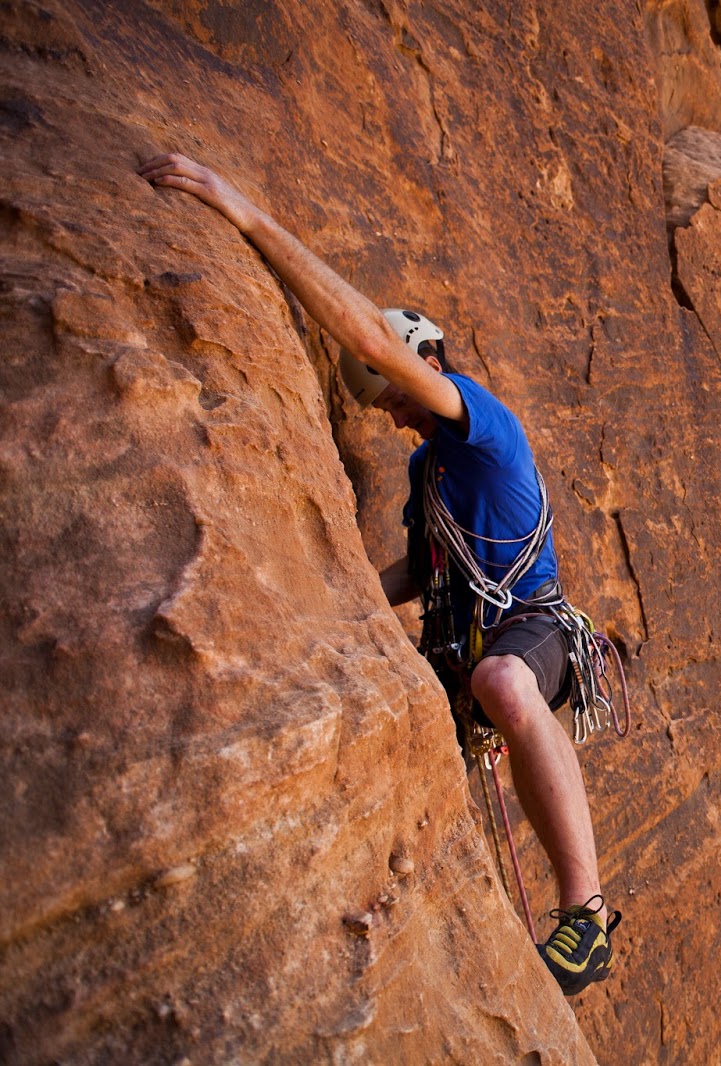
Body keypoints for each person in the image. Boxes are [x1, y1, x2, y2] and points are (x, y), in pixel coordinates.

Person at [139, 152, 620, 996]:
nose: (395, 415)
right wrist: (332, 585)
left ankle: (587, 917)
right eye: (384, 407)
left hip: (527, 627)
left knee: (505, 683)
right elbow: (420, 570)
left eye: (396, 394)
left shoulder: (481, 424)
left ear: (425, 363)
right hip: (462, 642)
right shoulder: (430, 471)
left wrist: (245, 215)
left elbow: (368, 339)